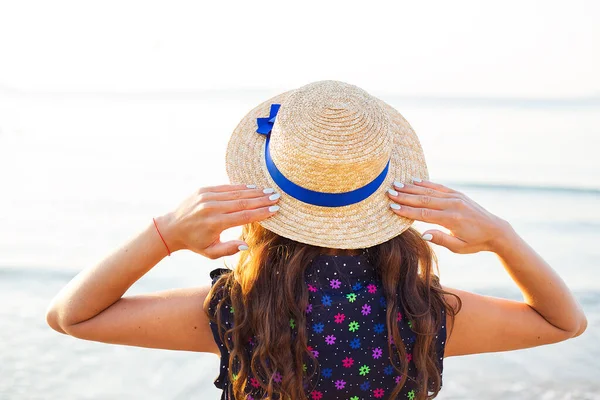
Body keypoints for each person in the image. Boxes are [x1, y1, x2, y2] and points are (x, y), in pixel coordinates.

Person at [46, 81, 587, 400]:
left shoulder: (239, 309)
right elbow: (565, 323)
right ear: (388, 202)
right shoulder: (425, 314)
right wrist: (500, 237)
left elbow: (73, 316)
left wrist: (163, 235)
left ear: (264, 200)